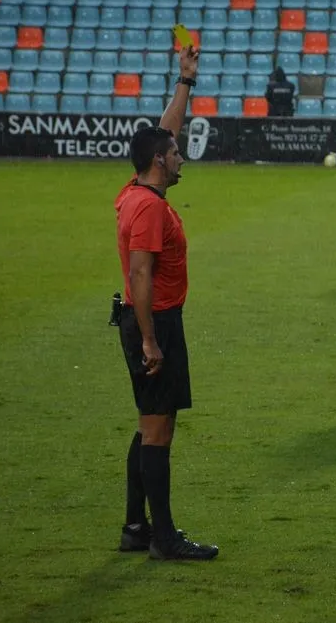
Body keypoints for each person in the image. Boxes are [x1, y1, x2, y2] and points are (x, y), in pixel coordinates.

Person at [114, 45, 218, 561]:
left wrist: (185, 81)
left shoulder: (138, 191)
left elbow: (164, 132)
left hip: (149, 320)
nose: (181, 155)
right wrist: (151, 340)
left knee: (149, 424)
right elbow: (140, 272)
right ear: (160, 161)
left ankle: (137, 527)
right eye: (175, 152)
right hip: (153, 323)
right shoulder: (150, 209)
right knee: (159, 429)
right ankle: (164, 538)